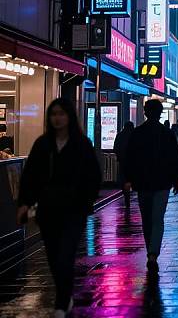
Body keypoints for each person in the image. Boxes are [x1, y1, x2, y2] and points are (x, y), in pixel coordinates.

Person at [17, 98, 101, 317]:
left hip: (74, 210)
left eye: (61, 113)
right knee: (54, 257)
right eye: (53, 114)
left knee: (66, 255)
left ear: (70, 116)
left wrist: (86, 200)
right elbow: (30, 176)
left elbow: (93, 176)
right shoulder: (42, 144)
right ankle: (65, 296)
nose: (57, 118)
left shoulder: (81, 144)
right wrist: (24, 203)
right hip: (48, 210)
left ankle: (62, 303)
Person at [125, 99, 178, 272]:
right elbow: (175, 159)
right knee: (158, 219)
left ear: (145, 112)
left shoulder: (137, 134)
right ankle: (153, 253)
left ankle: (151, 249)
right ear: (160, 113)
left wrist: (128, 179)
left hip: (142, 183)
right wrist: (177, 179)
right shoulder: (167, 134)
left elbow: (130, 159)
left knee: (146, 219)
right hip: (162, 182)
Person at [113, 121, 134, 207]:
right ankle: (129, 188)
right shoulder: (134, 135)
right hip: (132, 162)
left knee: (124, 179)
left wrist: (119, 156)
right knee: (131, 178)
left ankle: (126, 196)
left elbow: (116, 147)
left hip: (122, 161)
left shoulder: (120, 135)